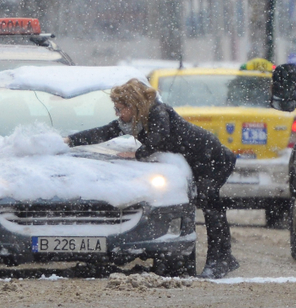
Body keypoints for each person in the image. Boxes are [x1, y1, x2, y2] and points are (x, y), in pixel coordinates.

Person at [64, 78, 239, 279]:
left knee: (210, 205)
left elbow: (159, 138)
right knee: (206, 203)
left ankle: (220, 260)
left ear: (133, 105)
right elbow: (105, 131)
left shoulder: (158, 112)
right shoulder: (133, 122)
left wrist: (137, 154)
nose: (117, 114)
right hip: (196, 161)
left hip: (212, 157)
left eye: (120, 108)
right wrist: (71, 140)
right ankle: (221, 258)